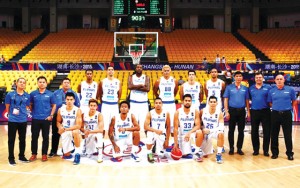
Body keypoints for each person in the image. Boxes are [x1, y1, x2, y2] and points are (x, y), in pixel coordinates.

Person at [48, 78, 80, 158]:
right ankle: (53, 151)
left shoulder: (74, 93)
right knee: (56, 133)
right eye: (64, 82)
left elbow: (77, 105)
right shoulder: (56, 92)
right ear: (62, 83)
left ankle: (70, 148)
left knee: (71, 132)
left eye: (68, 83)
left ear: (70, 84)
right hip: (58, 114)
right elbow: (52, 104)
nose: (66, 84)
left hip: (70, 115)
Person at [267, 74, 296, 160]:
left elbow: (294, 101)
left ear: (284, 80)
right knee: (274, 134)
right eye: (277, 79)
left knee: (288, 135)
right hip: (275, 114)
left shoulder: (290, 90)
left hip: (286, 114)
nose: (279, 81)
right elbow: (270, 103)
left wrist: (288, 107)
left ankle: (289, 153)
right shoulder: (271, 91)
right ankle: (275, 153)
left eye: (281, 79)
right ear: (275, 81)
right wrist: (277, 107)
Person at [29, 76, 56, 162]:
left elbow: (54, 105)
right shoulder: (33, 94)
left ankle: (44, 154)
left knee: (45, 137)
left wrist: (51, 115)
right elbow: (30, 104)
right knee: (34, 137)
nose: (42, 83)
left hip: (46, 119)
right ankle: (34, 154)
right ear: (37, 83)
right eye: (40, 82)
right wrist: (33, 111)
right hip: (35, 119)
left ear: (46, 83)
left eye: (43, 82)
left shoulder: (50, 94)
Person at [223, 71, 250, 155]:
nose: (238, 78)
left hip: (241, 111)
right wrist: (226, 111)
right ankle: (231, 148)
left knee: (241, 131)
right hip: (232, 111)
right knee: (231, 130)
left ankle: (239, 148)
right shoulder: (229, 87)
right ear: (234, 77)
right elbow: (226, 99)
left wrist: (248, 111)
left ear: (242, 78)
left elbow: (247, 101)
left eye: (240, 76)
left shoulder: (245, 88)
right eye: (237, 76)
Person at [5, 77, 30, 166]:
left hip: (23, 120)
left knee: (22, 139)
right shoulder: (10, 94)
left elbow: (27, 107)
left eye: (24, 82)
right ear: (16, 83)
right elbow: (7, 106)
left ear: (25, 84)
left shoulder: (27, 96)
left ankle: (21, 156)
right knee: (11, 140)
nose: (22, 84)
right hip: (12, 120)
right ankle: (11, 158)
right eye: (20, 82)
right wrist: (11, 114)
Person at [173, 94, 204, 162]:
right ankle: (186, 147)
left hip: (191, 133)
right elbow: (175, 129)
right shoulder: (178, 112)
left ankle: (197, 152)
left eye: (189, 101)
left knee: (199, 132)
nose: (187, 102)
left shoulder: (195, 111)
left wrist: (189, 133)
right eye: (186, 100)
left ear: (191, 102)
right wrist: (175, 143)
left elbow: (198, 126)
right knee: (184, 155)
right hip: (182, 135)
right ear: (182, 102)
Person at [249, 73, 272, 156]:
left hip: (265, 111)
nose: (258, 79)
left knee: (267, 131)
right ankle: (256, 150)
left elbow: (271, 99)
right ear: (254, 79)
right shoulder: (251, 88)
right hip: (254, 111)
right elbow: (250, 99)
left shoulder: (268, 87)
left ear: (263, 78)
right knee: (254, 131)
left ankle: (266, 150)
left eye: (260, 77)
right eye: (257, 77)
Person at [56, 92, 82, 165]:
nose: (69, 101)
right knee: (67, 155)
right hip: (65, 131)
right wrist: (60, 127)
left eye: (71, 99)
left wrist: (65, 129)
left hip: (73, 130)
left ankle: (77, 153)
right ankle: (71, 148)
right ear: (65, 100)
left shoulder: (77, 110)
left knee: (76, 132)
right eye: (68, 99)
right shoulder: (60, 109)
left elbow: (78, 126)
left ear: (74, 100)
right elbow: (58, 121)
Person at [153, 65, 178, 134]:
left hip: (171, 103)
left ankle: (172, 141)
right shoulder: (158, 80)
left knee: (172, 122)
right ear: (162, 72)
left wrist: (171, 97)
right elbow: (155, 90)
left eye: (167, 71)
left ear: (170, 71)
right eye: (165, 71)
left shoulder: (174, 80)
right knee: (162, 121)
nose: (166, 72)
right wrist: (159, 98)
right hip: (162, 104)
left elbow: (175, 91)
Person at [144, 98, 171, 163]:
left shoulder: (166, 113)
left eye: (159, 103)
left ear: (162, 104)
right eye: (156, 103)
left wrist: (167, 140)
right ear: (154, 104)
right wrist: (155, 130)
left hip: (162, 134)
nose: (158, 104)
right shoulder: (150, 113)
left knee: (160, 155)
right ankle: (149, 153)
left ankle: (156, 148)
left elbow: (168, 127)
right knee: (149, 134)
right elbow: (145, 126)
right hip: (152, 132)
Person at [97, 66, 122, 134]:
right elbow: (100, 93)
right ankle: (104, 139)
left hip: (114, 104)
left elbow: (119, 94)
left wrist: (117, 100)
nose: (110, 71)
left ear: (114, 71)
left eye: (112, 69)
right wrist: (103, 101)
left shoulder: (118, 82)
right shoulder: (103, 81)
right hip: (105, 104)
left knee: (115, 121)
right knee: (104, 122)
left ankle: (115, 136)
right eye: (109, 70)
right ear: (107, 71)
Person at [200, 96, 225, 164]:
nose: (213, 103)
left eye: (214, 102)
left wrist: (210, 131)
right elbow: (199, 124)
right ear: (208, 102)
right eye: (211, 102)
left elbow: (221, 127)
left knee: (221, 133)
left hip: (213, 132)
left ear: (217, 103)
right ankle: (198, 150)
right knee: (205, 155)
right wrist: (202, 129)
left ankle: (219, 154)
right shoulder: (203, 111)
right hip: (204, 132)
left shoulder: (219, 113)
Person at [127, 64, 150, 132]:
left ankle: (143, 139)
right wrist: (140, 85)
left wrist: (135, 87)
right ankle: (133, 140)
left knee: (143, 124)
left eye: (140, 67)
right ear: (135, 68)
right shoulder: (131, 77)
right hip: (133, 103)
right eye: (137, 67)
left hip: (143, 103)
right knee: (133, 123)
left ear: (142, 69)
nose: (139, 68)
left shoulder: (146, 77)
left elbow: (147, 89)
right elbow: (129, 87)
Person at [82, 99, 104, 163]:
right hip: (87, 133)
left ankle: (100, 155)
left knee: (99, 135)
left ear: (97, 107)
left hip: (96, 132)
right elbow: (80, 127)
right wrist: (84, 131)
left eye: (94, 106)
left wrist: (90, 132)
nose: (92, 107)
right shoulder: (84, 114)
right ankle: (86, 147)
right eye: (91, 105)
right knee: (89, 153)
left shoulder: (99, 115)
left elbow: (101, 129)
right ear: (88, 106)